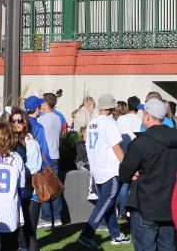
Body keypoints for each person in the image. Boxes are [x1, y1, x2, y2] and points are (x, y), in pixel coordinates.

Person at [119, 98, 177, 251]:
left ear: (148, 117)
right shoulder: (176, 143)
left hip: (145, 208)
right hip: (169, 208)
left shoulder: (140, 143)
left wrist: (132, 173)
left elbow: (123, 174)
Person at [76, 94, 128, 248]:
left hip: (97, 169)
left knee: (107, 204)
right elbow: (116, 147)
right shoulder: (109, 123)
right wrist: (126, 165)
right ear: (112, 107)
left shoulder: (92, 123)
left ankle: (116, 234)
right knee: (105, 202)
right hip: (109, 170)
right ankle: (87, 235)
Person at [8, 107, 45, 251]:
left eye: (19, 120)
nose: (16, 123)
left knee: (29, 232)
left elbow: (34, 166)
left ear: (25, 123)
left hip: (32, 191)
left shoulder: (29, 139)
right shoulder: (13, 140)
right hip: (20, 190)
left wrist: (19, 175)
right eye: (13, 120)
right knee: (21, 230)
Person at [33, 93, 65, 228]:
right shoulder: (57, 118)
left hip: (46, 156)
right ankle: (57, 217)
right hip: (55, 155)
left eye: (41, 103)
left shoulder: (43, 120)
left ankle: (46, 218)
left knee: (44, 187)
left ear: (45, 104)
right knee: (55, 186)